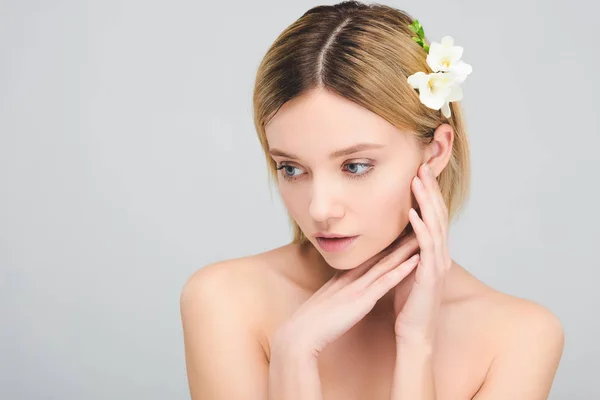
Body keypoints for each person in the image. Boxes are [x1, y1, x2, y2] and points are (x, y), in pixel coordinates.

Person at [180, 2, 564, 399]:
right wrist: (293, 357)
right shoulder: (224, 300)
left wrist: (416, 344)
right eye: (291, 169)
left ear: (434, 153)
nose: (319, 209)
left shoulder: (519, 337)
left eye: (356, 166)